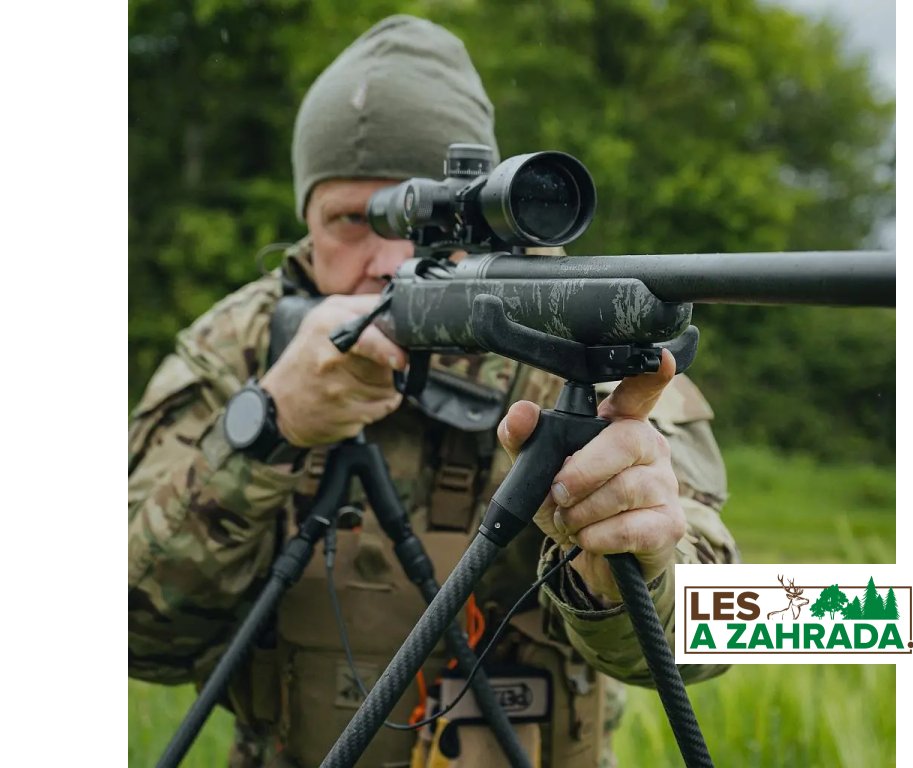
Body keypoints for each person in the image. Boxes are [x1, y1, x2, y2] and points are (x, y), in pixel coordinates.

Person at [128, 14, 738, 768]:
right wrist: (268, 431)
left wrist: (637, 562)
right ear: (305, 223)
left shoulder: (579, 332)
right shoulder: (240, 349)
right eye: (351, 220)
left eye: (433, 223)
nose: (391, 259)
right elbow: (135, 637)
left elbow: (722, 635)